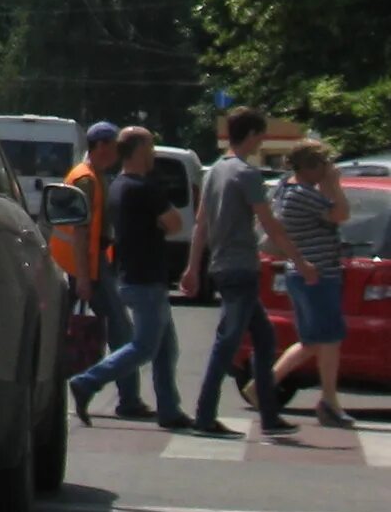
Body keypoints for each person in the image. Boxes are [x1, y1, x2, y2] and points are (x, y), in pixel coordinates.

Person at [182, 106, 300, 435]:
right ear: (250, 135)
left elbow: (201, 224)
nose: (261, 141)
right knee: (227, 342)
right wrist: (300, 260)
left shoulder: (216, 171)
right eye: (260, 134)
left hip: (222, 265)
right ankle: (205, 415)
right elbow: (270, 225)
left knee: (264, 340)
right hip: (240, 267)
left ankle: (269, 414)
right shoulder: (246, 175)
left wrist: (193, 268)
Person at [74, 125, 188, 428]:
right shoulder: (143, 188)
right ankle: (87, 381)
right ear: (138, 151)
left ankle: (170, 411)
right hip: (147, 277)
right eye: (149, 148)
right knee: (144, 346)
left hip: (131, 273)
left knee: (165, 348)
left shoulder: (117, 186)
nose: (152, 154)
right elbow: (175, 224)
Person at [264, 141, 355, 429]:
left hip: (308, 273)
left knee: (314, 341)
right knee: (327, 338)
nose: (326, 170)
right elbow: (340, 213)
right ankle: (329, 402)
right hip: (317, 274)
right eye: (323, 165)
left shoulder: (285, 188)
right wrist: (334, 183)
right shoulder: (302, 193)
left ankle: (263, 386)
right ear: (311, 166)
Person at [56, 121, 135, 412]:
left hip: (84, 264)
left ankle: (125, 397)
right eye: (115, 147)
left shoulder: (93, 175)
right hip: (86, 266)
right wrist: (84, 278)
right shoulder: (86, 179)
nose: (118, 153)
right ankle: (128, 399)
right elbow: (79, 230)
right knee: (122, 331)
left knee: (62, 330)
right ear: (101, 146)